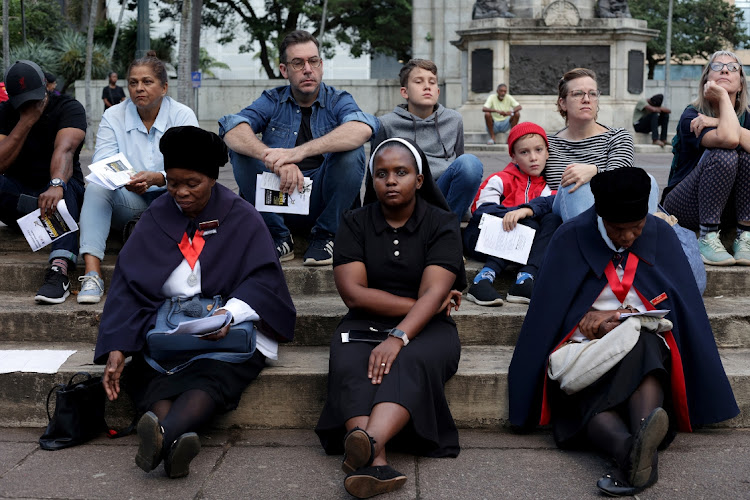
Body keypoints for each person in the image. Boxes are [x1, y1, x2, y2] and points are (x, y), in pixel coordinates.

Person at [508, 168, 739, 496]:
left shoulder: (660, 234)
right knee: (590, 391)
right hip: (586, 349)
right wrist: (586, 319)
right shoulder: (570, 237)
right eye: (619, 230)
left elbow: (683, 308)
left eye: (637, 228)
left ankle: (628, 452)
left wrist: (627, 317)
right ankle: (638, 452)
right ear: (601, 217)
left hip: (648, 349)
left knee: (643, 342)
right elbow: (547, 317)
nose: (629, 237)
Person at [94, 126, 296, 479]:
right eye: (172, 183)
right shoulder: (156, 216)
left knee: (211, 377)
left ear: (212, 179)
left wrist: (228, 314)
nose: (181, 193)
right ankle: (170, 442)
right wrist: (116, 345)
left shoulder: (242, 216)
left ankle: (162, 434)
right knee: (150, 373)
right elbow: (129, 286)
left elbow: (264, 281)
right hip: (167, 327)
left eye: (192, 183)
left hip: (224, 330)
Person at [315, 138, 465, 499]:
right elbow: (354, 293)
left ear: (419, 178)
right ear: (373, 181)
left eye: (401, 172)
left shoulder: (442, 223)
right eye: (381, 174)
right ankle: (375, 460)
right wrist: (428, 302)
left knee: (410, 361)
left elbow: (434, 294)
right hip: (364, 322)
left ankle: (367, 444)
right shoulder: (354, 221)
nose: (391, 180)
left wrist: (399, 335)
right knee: (353, 362)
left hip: (429, 329)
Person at [220, 30, 378, 266]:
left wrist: (296, 153)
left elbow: (362, 128)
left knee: (352, 152)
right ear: (284, 70)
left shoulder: (338, 100)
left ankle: (326, 235)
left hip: (322, 201)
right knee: (241, 152)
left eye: (313, 61)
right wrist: (275, 160)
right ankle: (278, 236)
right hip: (279, 196)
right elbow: (232, 127)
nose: (307, 69)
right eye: (298, 63)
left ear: (321, 65)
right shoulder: (273, 100)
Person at [76, 51, 198, 304]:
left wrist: (159, 178)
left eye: (147, 82)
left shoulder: (182, 115)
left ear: (164, 87)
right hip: (131, 198)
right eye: (133, 82)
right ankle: (91, 273)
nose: (139, 88)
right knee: (96, 187)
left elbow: (191, 167)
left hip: (173, 201)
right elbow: (103, 162)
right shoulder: (114, 115)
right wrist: (126, 180)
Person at [0, 60, 86, 304]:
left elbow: (66, 150)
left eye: (35, 97)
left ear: (47, 86)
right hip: (23, 202)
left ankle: (59, 270)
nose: (30, 104)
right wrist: (27, 120)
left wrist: (56, 183)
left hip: (60, 196)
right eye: (23, 101)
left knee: (65, 189)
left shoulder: (69, 107)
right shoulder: (7, 112)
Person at [663, 50, 750, 267]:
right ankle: (708, 237)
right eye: (717, 66)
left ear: (740, 84)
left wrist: (716, 121)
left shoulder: (747, 116)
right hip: (685, 203)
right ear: (706, 80)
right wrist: (722, 98)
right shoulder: (692, 116)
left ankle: (745, 236)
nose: (724, 70)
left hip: (729, 208)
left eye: (732, 68)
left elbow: (732, 133)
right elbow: (729, 139)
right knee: (724, 153)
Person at [373, 59, 483, 219]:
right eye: (418, 82)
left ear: (438, 92)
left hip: (443, 192)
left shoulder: (454, 119)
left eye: (432, 82)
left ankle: (448, 226)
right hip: (409, 195)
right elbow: (377, 172)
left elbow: (460, 162)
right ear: (405, 92)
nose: (427, 86)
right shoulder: (386, 124)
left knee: (470, 163)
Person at [463, 122, 560, 306]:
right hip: (484, 240)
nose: (533, 158)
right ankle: (483, 278)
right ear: (513, 157)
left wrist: (527, 211)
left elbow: (553, 203)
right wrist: (515, 213)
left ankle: (525, 278)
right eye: (524, 152)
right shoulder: (501, 178)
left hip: (525, 246)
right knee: (528, 223)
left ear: (547, 152)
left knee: (551, 218)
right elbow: (481, 209)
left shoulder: (548, 187)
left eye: (539, 150)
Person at [545, 67, 659, 222]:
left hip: (614, 212)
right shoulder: (547, 144)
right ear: (563, 103)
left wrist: (594, 171)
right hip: (564, 215)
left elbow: (624, 176)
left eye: (592, 93)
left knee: (647, 181)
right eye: (578, 93)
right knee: (573, 184)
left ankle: (639, 241)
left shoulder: (617, 136)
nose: (586, 99)